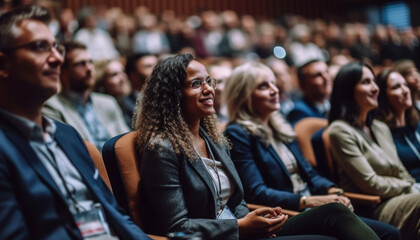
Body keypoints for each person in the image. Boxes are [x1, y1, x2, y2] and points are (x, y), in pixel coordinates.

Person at [135, 54, 380, 240]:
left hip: (244, 231)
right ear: (172, 95)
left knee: (334, 212)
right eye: (196, 83)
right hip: (222, 236)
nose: (209, 89)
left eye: (208, 81)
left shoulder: (212, 138)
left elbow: (237, 200)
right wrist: (241, 226)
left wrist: (257, 220)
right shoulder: (162, 149)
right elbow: (176, 227)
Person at [0, 5, 151, 239]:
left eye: (56, 47)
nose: (57, 58)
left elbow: (115, 215)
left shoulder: (67, 135)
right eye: (40, 47)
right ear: (3, 65)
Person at [224, 62, 400, 240]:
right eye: (263, 86)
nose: (274, 90)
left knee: (390, 233)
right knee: (335, 212)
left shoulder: (281, 128)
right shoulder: (237, 133)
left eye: (273, 83)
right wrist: (306, 201)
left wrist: (331, 190)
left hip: (311, 207)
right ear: (243, 95)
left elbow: (309, 173)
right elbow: (257, 191)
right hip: (284, 214)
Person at [327, 62, 420, 239]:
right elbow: (371, 183)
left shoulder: (380, 127)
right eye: (366, 82)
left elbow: (403, 173)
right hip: (375, 206)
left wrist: (408, 184)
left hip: (401, 197)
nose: (375, 88)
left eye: (374, 82)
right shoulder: (340, 130)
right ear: (348, 90)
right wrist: (409, 186)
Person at [43, 41, 129, 150]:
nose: (89, 68)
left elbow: (127, 142)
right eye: (80, 64)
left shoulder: (108, 102)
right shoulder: (52, 108)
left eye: (90, 62)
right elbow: (70, 150)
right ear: (62, 71)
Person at [375, 69, 420, 191]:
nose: (405, 90)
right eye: (396, 87)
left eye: (405, 84)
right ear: (384, 96)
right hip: (410, 189)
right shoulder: (382, 132)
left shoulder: (415, 123)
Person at [287, 59, 332, 126]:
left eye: (327, 72)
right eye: (317, 75)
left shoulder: (335, 104)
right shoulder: (299, 112)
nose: (326, 78)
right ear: (303, 85)